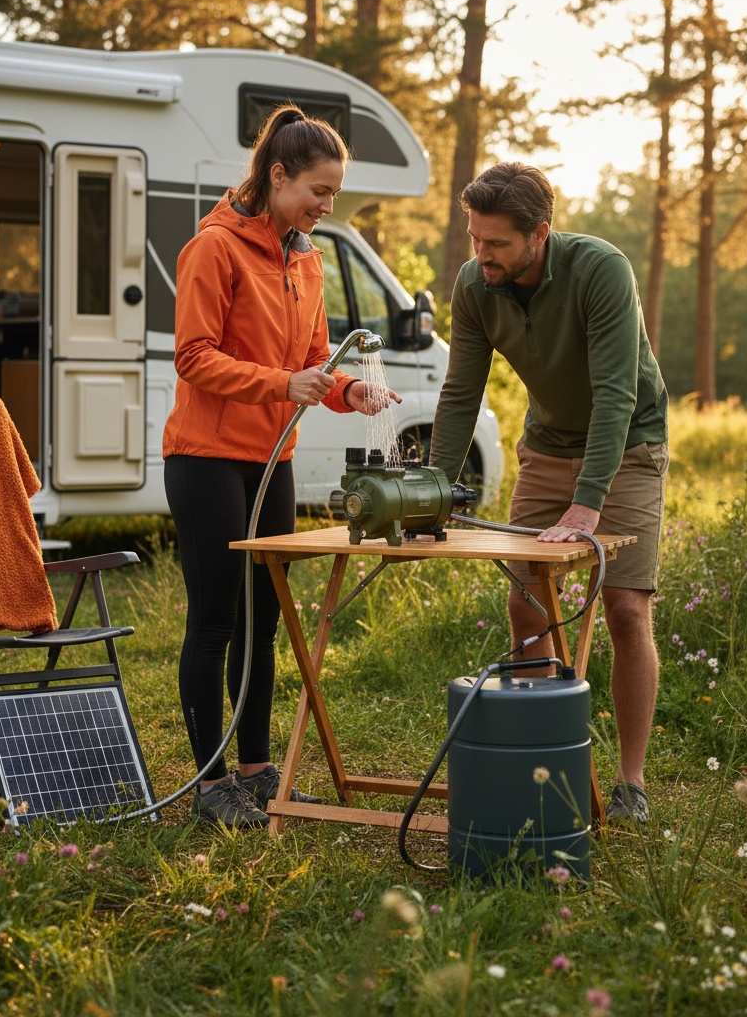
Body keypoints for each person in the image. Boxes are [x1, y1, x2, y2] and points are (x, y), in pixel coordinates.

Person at [163, 103, 400, 829]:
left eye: (333, 194)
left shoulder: (307, 257)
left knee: (265, 618)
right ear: (277, 175)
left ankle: (258, 769)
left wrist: (347, 388)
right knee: (215, 620)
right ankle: (209, 783)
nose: (327, 207)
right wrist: (279, 384)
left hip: (274, 458)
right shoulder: (215, 248)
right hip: (207, 459)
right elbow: (194, 356)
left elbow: (308, 364)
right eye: (318, 191)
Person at [429, 162, 669, 824]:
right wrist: (432, 490)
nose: (481, 255)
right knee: (527, 596)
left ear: (540, 234)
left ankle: (630, 781)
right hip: (548, 445)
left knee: (624, 605)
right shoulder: (476, 286)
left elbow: (618, 392)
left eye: (496, 243)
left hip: (630, 447)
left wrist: (589, 500)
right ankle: (545, 759)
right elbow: (459, 393)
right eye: (475, 239)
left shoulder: (600, 270)